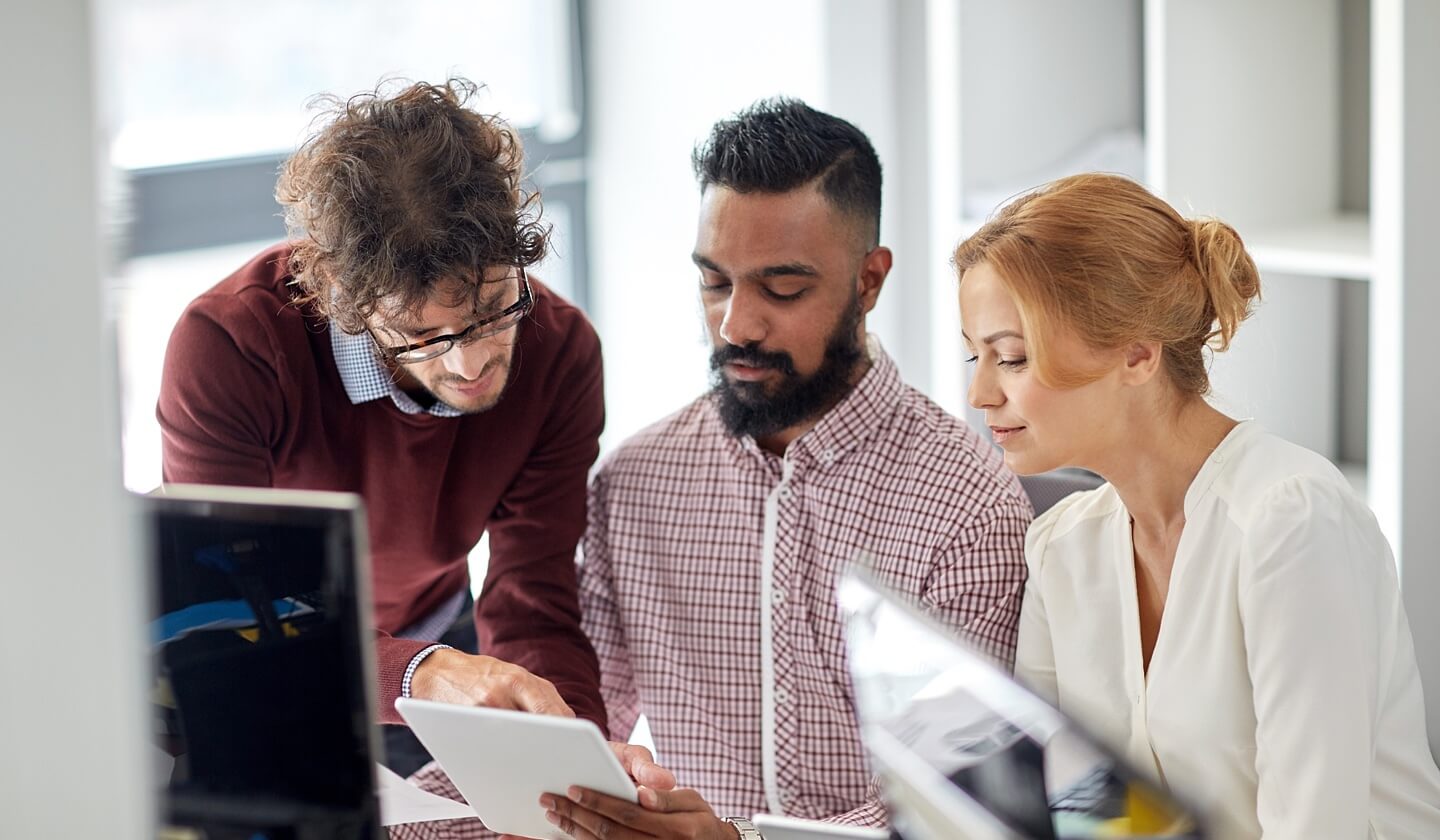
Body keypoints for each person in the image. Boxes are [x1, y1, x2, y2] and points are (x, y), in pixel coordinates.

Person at [422, 97, 1029, 839]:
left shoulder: (968, 504)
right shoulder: (637, 483)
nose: (736, 325)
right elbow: (557, 741)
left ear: (869, 282)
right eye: (714, 283)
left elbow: (961, 808)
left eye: (782, 289)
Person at [157, 79, 660, 783]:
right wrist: (416, 672)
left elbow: (532, 599)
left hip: (433, 636)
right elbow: (231, 611)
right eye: (422, 335)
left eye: (492, 307)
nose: (472, 363)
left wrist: (581, 760)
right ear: (341, 294)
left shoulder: (562, 353)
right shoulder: (230, 345)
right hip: (260, 644)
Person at [953, 172, 1440, 838]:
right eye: (974, 354)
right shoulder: (1061, 547)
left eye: (1010, 357)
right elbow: (1063, 816)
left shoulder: (1290, 523)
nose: (979, 392)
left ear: (1136, 354)